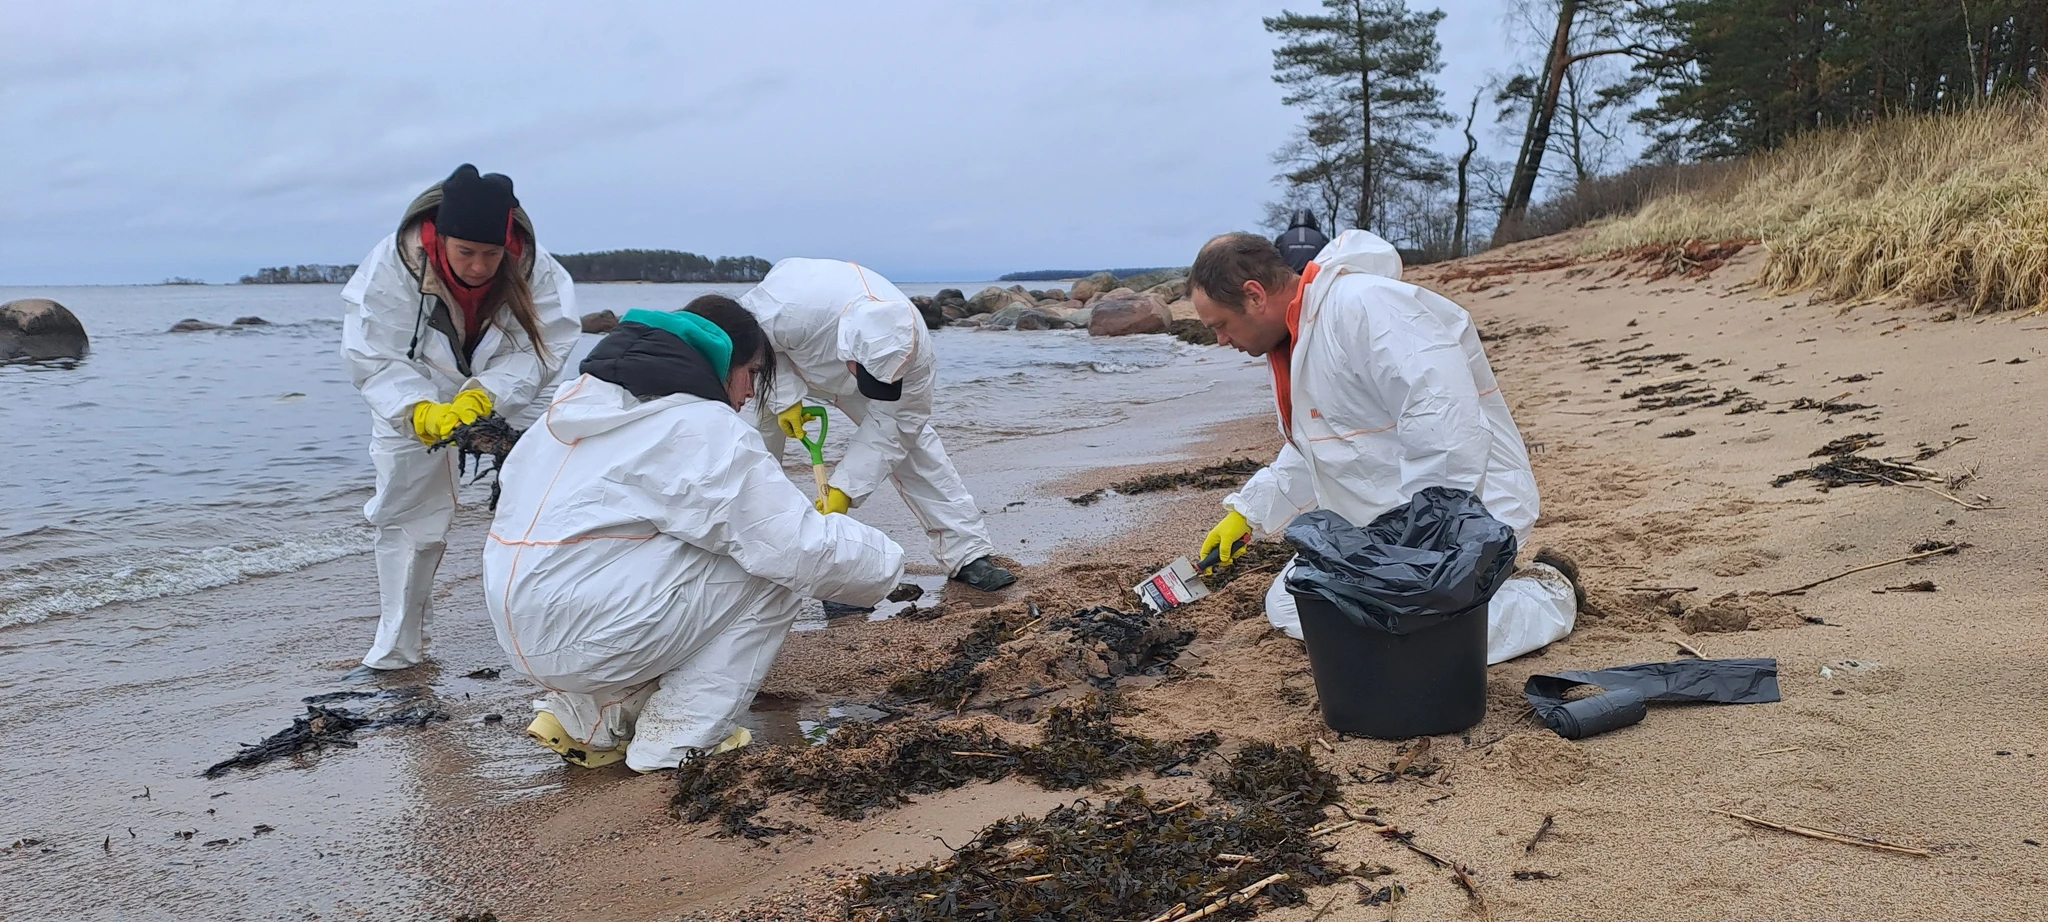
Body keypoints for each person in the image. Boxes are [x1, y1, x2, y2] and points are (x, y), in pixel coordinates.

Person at [484, 296, 906, 772]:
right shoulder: (701, 426)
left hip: (519, 626)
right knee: (772, 571)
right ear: (722, 364)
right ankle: (679, 743)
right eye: (751, 373)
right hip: (585, 634)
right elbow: (796, 547)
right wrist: (887, 564)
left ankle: (589, 722)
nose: (750, 393)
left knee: (671, 557)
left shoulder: (569, 407)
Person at [1188, 230, 1579, 665]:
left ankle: (1548, 592)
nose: (1221, 341)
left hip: (1466, 514)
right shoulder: (1297, 341)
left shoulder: (1367, 306)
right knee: (1291, 601)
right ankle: (1469, 596)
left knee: (1420, 639)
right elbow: (1319, 449)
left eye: (1220, 325)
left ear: (1254, 295)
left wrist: (1426, 545)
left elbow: (1446, 424)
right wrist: (1248, 512)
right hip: (1390, 522)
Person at [340, 164, 581, 672]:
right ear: (439, 238)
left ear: (508, 244)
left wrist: (483, 397)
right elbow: (372, 354)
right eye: (465, 252)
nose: (477, 267)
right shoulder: (392, 265)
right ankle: (396, 651)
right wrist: (416, 409)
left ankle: (549, 638)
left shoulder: (539, 271)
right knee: (409, 520)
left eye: (491, 254)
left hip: (502, 401)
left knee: (542, 507)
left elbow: (544, 349)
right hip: (413, 401)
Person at [739, 258, 1016, 592]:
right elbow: (746, 339)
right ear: (851, 352)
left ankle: (966, 552)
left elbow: (894, 428)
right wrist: (784, 397)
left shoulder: (916, 359)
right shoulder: (793, 304)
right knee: (751, 450)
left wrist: (845, 488)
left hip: (854, 376)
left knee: (917, 451)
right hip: (779, 362)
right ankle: (746, 553)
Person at [1274, 210, 1330, 274]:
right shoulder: (1322, 238)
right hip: (1315, 279)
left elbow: (1273, 262)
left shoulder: (1281, 239)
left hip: (1289, 279)